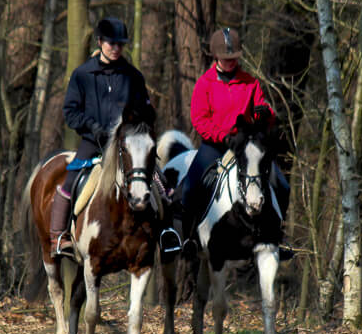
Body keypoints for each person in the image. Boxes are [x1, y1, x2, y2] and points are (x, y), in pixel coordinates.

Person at [161, 27, 290, 258]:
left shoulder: (250, 82)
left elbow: (264, 113)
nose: (230, 62)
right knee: (190, 187)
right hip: (216, 145)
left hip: (247, 147)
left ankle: (276, 237)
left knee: (282, 184)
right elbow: (199, 119)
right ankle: (189, 239)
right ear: (215, 57)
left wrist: (265, 113)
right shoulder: (205, 83)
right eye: (226, 58)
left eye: (234, 58)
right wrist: (222, 136)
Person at [49, 16, 155, 257]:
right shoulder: (82, 74)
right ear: (100, 42)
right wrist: (93, 128)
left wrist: (138, 119)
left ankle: (167, 233)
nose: (116, 48)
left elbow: (147, 111)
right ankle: (59, 235)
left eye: (120, 44)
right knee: (70, 181)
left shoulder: (133, 76)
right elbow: (70, 112)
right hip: (93, 141)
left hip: (127, 143)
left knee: (157, 180)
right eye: (111, 43)